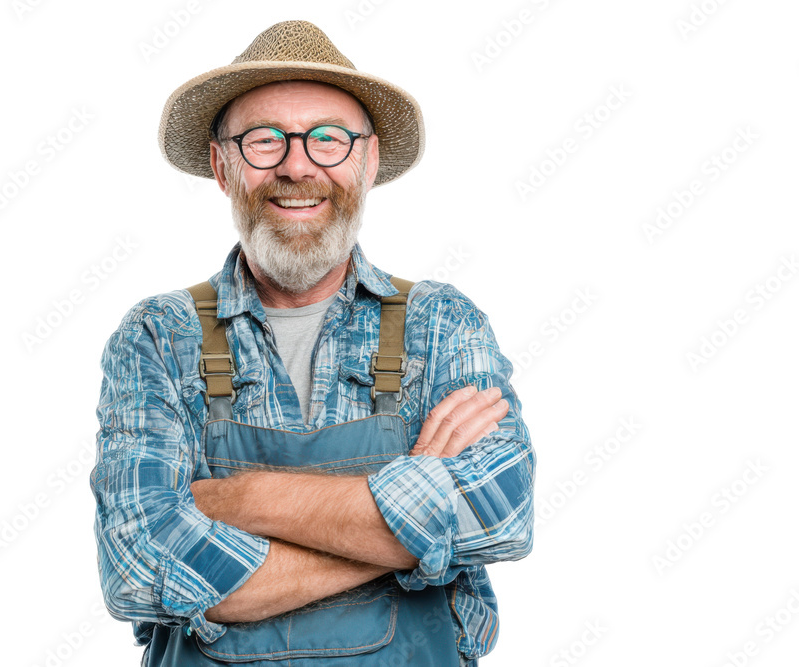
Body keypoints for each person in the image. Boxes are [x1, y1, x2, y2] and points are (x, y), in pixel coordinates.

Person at [90, 19, 535, 666]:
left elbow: (500, 510)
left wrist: (242, 500)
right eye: (264, 140)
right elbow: (140, 566)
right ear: (222, 167)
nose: (297, 165)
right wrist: (414, 526)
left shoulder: (439, 322)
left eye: (328, 139)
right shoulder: (159, 336)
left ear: (367, 162)